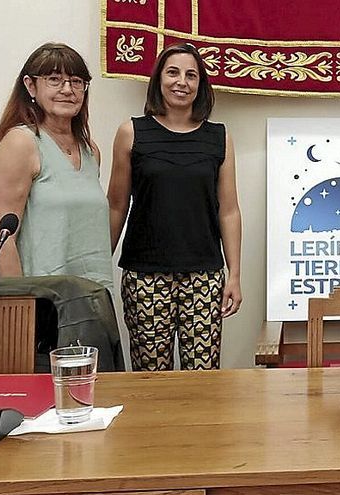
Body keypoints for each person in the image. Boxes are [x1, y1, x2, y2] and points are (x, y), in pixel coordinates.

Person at [107, 43, 243, 371]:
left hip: (204, 275)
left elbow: (229, 210)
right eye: (173, 72)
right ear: (159, 80)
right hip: (145, 275)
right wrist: (99, 269)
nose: (181, 81)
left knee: (203, 377)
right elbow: (115, 205)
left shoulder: (219, 137)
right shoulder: (131, 132)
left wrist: (234, 274)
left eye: (191, 75)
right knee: (151, 378)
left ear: (200, 86)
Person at [0, 42, 113, 291]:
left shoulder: (91, 150)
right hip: (44, 302)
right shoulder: (20, 143)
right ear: (30, 85)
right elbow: (2, 239)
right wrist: (20, 309)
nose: (68, 89)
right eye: (54, 79)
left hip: (92, 299)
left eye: (76, 81)